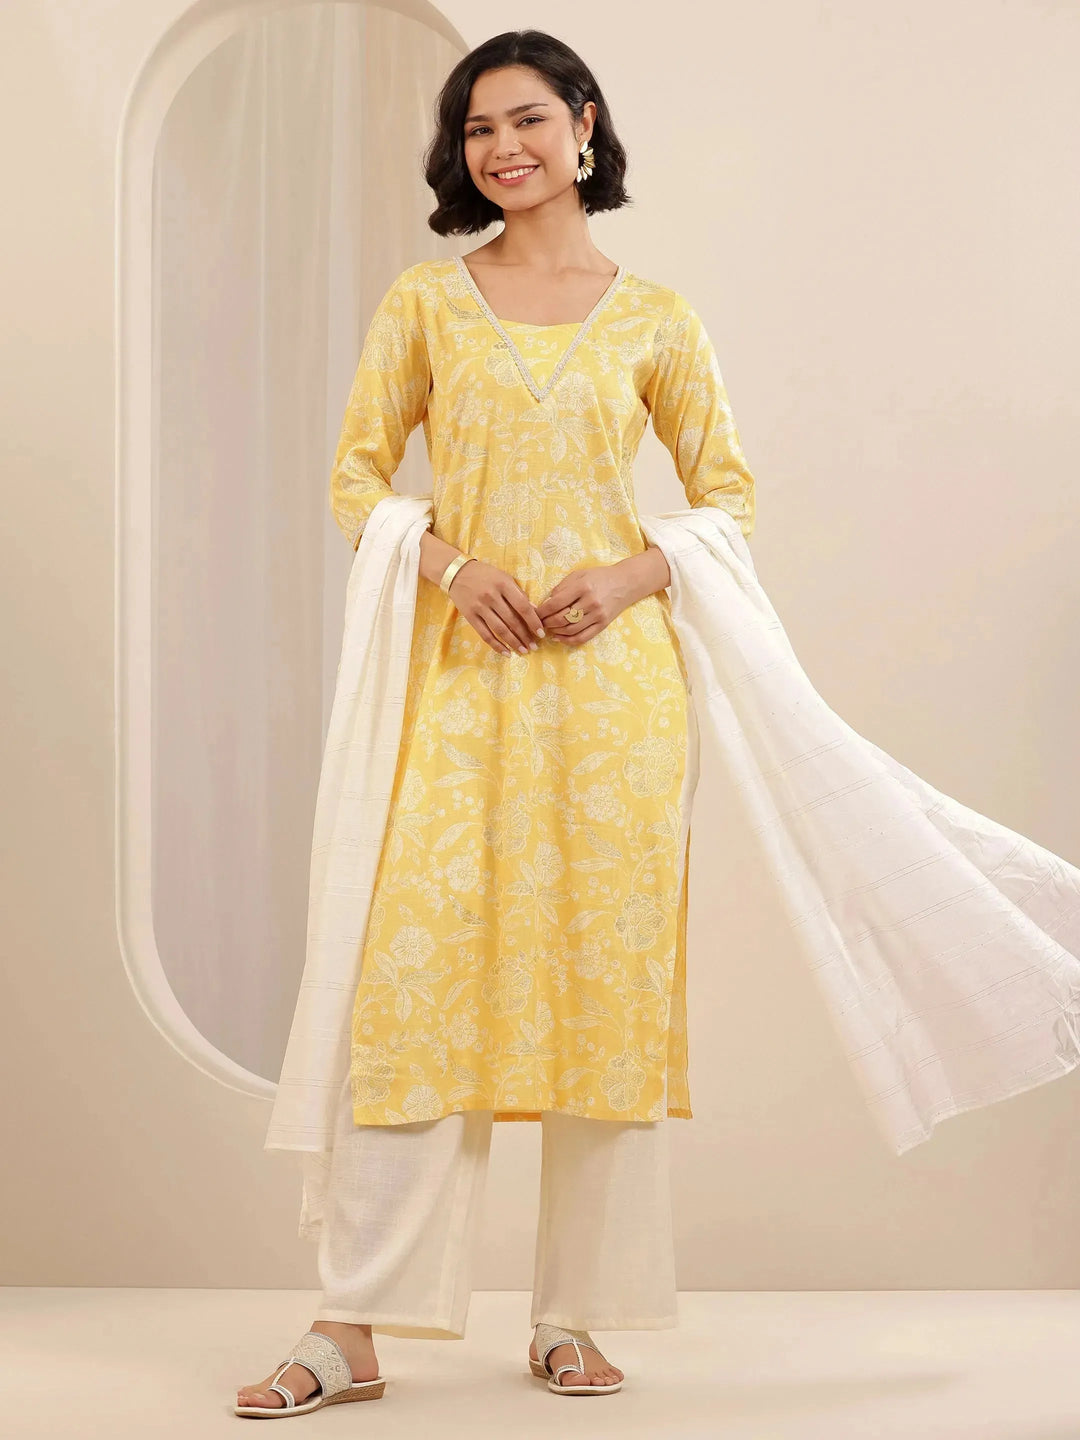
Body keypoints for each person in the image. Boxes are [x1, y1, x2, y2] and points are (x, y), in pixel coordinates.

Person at [235, 26, 753, 1414]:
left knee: (602, 989)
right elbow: (355, 478)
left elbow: (729, 498)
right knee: (412, 984)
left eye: (526, 119)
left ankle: (575, 1314)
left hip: (615, 703)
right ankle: (351, 1325)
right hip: (459, 686)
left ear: (584, 125)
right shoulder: (427, 302)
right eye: (477, 129)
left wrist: (633, 572)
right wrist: (451, 566)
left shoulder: (657, 319)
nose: (502, 148)